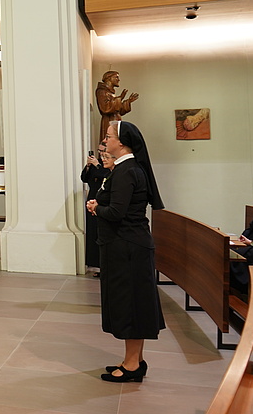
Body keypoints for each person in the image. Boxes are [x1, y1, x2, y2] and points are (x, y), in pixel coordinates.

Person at [86, 120, 165, 383]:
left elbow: (118, 213)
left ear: (121, 142)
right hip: (125, 246)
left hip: (127, 247)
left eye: (108, 137)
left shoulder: (127, 170)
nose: (105, 140)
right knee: (132, 304)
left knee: (131, 306)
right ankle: (134, 360)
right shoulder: (124, 169)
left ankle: (132, 365)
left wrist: (97, 208)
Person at [80, 143, 108, 276]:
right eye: (99, 151)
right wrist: (88, 166)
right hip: (92, 198)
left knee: (102, 232)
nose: (101, 153)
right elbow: (84, 178)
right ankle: (96, 265)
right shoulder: (95, 164)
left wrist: (97, 165)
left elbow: (106, 175)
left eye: (103, 150)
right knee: (92, 232)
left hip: (103, 201)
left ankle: (105, 266)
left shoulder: (108, 163)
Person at [95, 71, 139, 145]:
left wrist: (128, 102)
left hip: (115, 121)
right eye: (116, 77)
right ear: (109, 78)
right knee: (110, 143)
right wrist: (120, 98)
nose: (118, 80)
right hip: (109, 121)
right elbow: (105, 108)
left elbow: (118, 111)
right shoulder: (102, 91)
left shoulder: (111, 93)